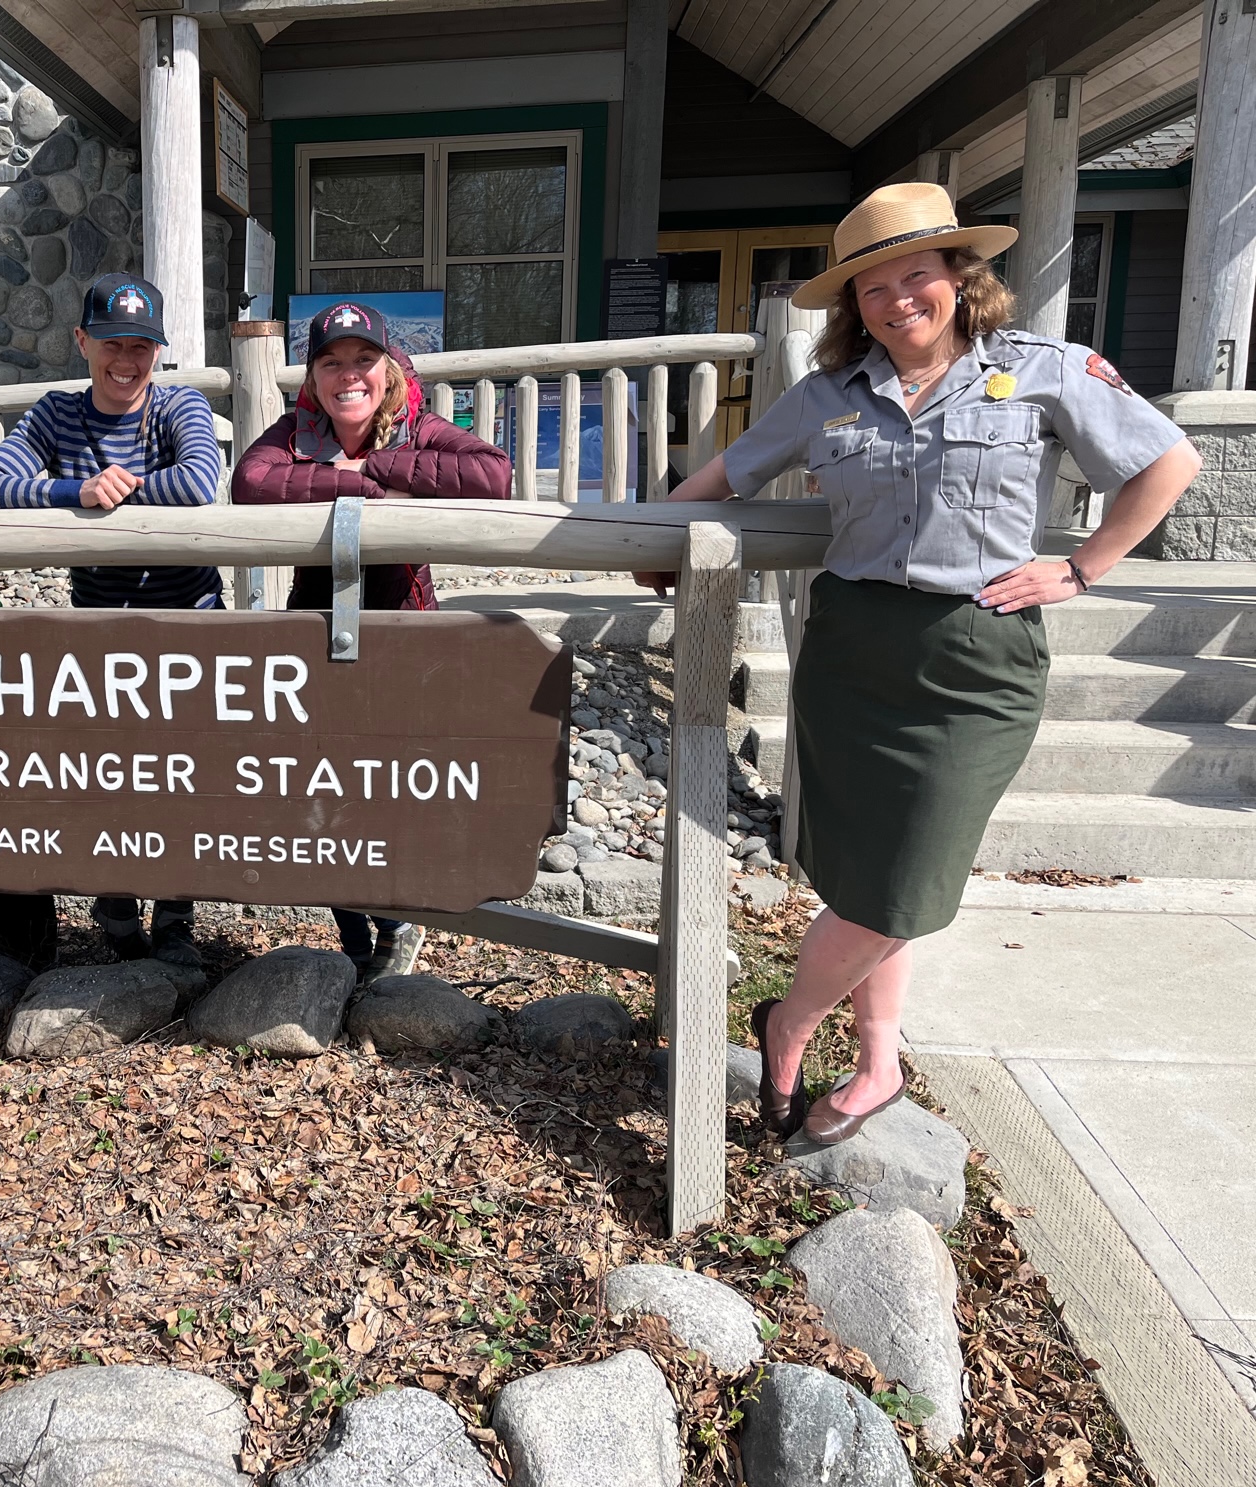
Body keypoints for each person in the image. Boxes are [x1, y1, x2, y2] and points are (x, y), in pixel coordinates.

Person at [650, 182, 1199, 1145]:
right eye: (873, 287)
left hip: (977, 657)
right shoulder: (827, 396)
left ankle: (788, 1024)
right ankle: (879, 1062)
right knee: (866, 875)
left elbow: (1168, 462)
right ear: (852, 307)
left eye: (917, 275)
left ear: (959, 276)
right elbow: (724, 478)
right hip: (855, 652)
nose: (899, 299)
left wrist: (1082, 566)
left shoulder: (1044, 369)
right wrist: (651, 538)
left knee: (906, 882)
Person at [231, 300, 513, 982]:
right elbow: (252, 481)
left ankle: (394, 924)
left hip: (405, 636)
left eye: (363, 360)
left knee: (387, 791)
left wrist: (384, 469)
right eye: (331, 362)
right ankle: (358, 940)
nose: (347, 376)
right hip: (317, 632)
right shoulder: (298, 426)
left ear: (386, 370)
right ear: (314, 375)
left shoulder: (419, 422)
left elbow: (491, 473)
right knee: (316, 790)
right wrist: (357, 481)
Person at [0, 273, 224, 970]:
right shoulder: (54, 414)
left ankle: (174, 919)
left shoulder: (178, 406)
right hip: (100, 636)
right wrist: (75, 491)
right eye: (111, 343)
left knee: (179, 781)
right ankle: (114, 907)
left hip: (186, 630)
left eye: (141, 344)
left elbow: (199, 481)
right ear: (82, 341)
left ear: (159, 350)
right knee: (107, 778)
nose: (126, 360)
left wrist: (121, 495)